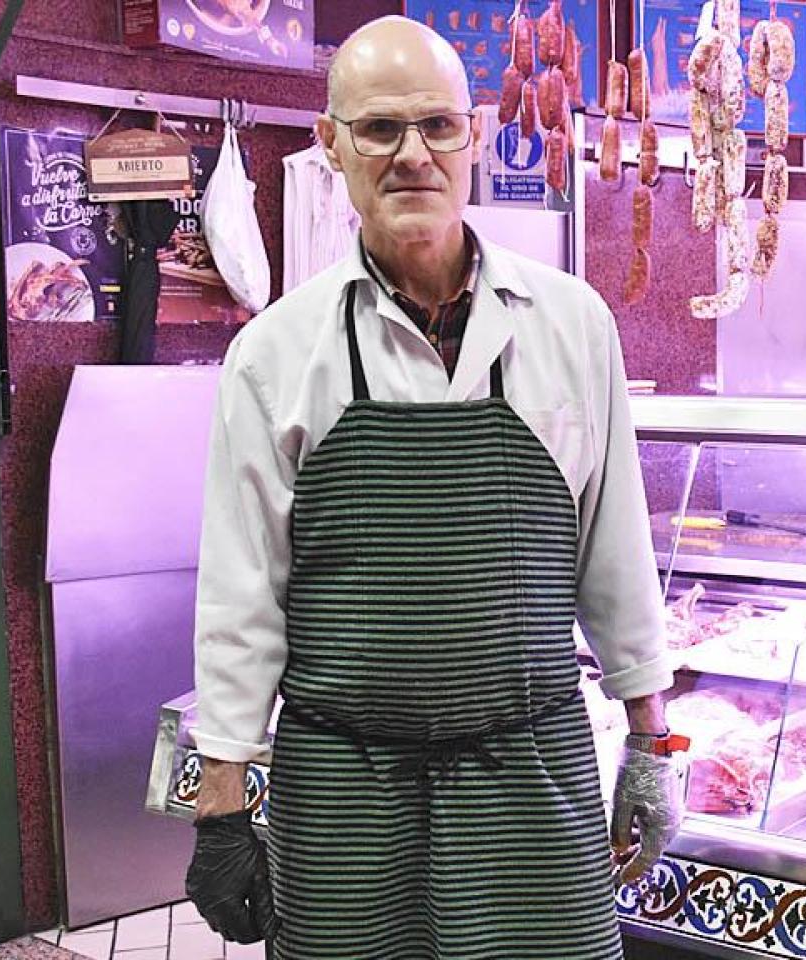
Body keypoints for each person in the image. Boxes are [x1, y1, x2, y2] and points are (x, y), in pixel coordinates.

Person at [183, 17, 682, 958]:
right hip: (342, 789)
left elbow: (616, 556)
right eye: (379, 130)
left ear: (477, 134)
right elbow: (240, 601)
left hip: (533, 771)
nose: (412, 154)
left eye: (437, 126)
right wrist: (217, 807)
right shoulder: (274, 355)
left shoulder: (573, 325)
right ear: (330, 147)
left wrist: (652, 745)